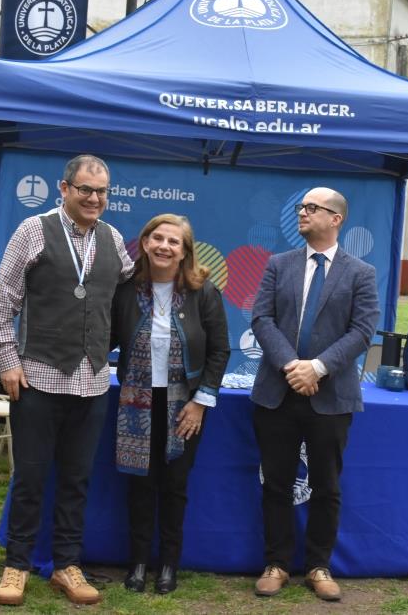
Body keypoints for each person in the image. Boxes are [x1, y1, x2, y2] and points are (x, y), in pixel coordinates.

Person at [0, 154, 133, 607]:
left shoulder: (114, 239)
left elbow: (134, 289)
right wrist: (7, 360)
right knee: (30, 477)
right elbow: (0, 304)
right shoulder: (32, 230)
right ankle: (17, 565)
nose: (94, 198)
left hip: (91, 382)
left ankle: (67, 565)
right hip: (38, 378)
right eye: (85, 189)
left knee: (77, 479)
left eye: (102, 191)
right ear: (63, 189)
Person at [250, 187, 379, 602]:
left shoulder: (360, 272)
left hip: (331, 396)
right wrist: (294, 366)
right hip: (278, 392)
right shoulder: (278, 264)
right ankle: (277, 564)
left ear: (335, 218)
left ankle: (319, 566)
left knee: (326, 485)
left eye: (311, 208)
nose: (302, 213)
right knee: (276, 483)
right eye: (301, 206)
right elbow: (261, 318)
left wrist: (317, 368)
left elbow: (362, 331)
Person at [111, 214, 230, 595]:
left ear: (185, 252)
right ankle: (139, 563)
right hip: (137, 402)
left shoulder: (203, 290)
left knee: (175, 486)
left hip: (185, 403)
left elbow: (220, 350)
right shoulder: (127, 288)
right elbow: (104, 336)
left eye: (173, 241)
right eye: (157, 238)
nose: (164, 246)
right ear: (144, 243)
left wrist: (200, 402)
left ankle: (168, 566)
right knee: (140, 486)